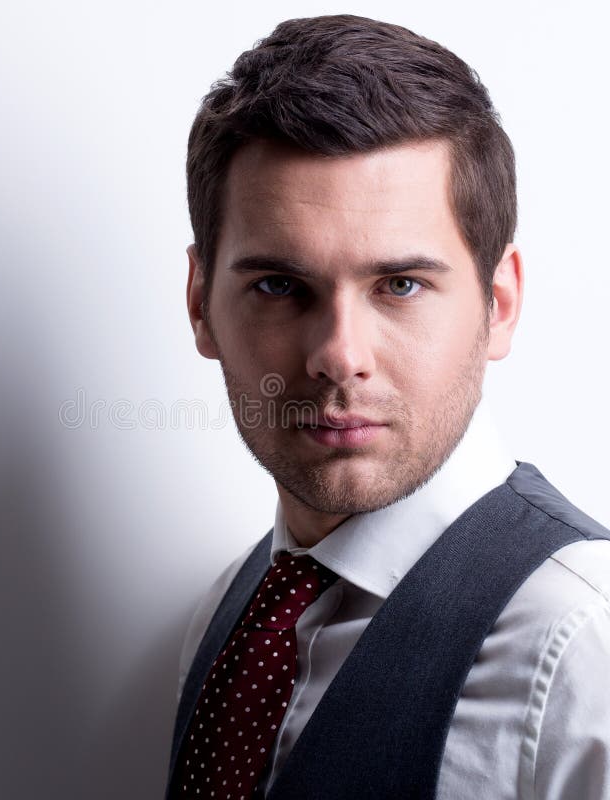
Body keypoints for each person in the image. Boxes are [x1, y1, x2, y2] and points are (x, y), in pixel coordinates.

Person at [165, 13, 610, 800]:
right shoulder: (223, 622)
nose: (340, 355)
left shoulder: (582, 650)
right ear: (201, 303)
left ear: (498, 303)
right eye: (279, 286)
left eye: (399, 285)